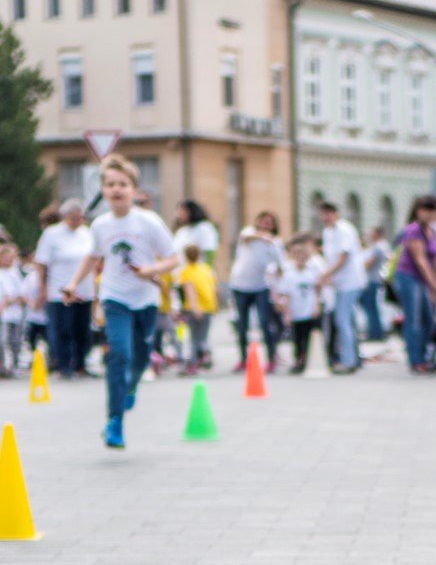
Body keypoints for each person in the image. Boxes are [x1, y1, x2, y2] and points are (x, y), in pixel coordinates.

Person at [67, 155, 178, 449]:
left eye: (123, 184)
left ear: (134, 190)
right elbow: (93, 256)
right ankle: (114, 421)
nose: (116, 189)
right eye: (110, 184)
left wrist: (152, 271)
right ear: (103, 190)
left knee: (141, 358)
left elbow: (173, 258)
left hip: (146, 300)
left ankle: (131, 386)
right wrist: (74, 283)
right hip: (115, 298)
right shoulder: (101, 225)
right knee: (119, 354)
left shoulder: (149, 221)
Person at [35, 199, 93, 378]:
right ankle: (63, 365)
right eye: (74, 218)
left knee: (82, 330)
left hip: (84, 290)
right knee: (63, 329)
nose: (78, 222)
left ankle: (80, 364)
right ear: (65, 217)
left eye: (80, 218)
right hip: (59, 291)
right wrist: (42, 287)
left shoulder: (87, 233)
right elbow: (41, 263)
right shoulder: (52, 234)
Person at [228, 212, 284, 372]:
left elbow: (280, 267)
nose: (266, 225)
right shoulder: (248, 232)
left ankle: (271, 359)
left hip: (261, 286)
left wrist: (279, 291)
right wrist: (263, 236)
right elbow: (247, 237)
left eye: (269, 223)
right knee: (242, 325)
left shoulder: (275, 243)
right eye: (263, 222)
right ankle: (243, 359)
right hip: (240, 285)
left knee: (265, 323)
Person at [315, 199, 363, 373]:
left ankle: (348, 360)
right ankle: (354, 357)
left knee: (342, 320)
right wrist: (330, 276)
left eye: (329, 213)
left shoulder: (344, 229)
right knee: (348, 320)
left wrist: (327, 274)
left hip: (350, 281)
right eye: (323, 213)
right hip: (339, 282)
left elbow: (344, 256)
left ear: (336, 214)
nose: (326, 217)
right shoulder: (328, 232)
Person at [395, 197, 436, 372]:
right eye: (422, 210)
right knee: (414, 319)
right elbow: (420, 260)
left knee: (429, 319)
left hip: (422, 279)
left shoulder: (432, 231)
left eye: (430, 210)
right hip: (408, 277)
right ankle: (416, 360)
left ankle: (423, 355)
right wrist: (434, 283)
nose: (425, 213)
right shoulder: (413, 230)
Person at [274, 233, 323, 374]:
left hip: (309, 310)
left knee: (310, 337)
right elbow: (286, 294)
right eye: (297, 255)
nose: (301, 258)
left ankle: (309, 359)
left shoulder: (311, 271)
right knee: (297, 338)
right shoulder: (289, 274)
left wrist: (317, 306)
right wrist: (287, 313)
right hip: (296, 311)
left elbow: (317, 290)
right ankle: (298, 360)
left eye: (303, 255)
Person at [177, 244, 218, 374]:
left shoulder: (186, 271)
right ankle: (204, 355)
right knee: (203, 336)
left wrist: (195, 308)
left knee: (194, 338)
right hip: (209, 307)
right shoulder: (206, 269)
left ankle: (194, 363)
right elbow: (214, 289)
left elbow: (190, 292)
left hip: (194, 309)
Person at [0, 239, 26, 376]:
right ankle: (3, 366)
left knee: (15, 341)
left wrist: (11, 300)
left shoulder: (14, 273)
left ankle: (14, 365)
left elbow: (19, 294)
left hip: (14, 314)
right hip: (3, 314)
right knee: (2, 341)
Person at [360, 226, 390, 341]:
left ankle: (374, 333)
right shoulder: (384, 245)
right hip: (378, 279)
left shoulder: (378, 247)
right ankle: (377, 332)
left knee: (371, 309)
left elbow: (369, 264)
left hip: (372, 280)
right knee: (374, 308)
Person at [172, 199, 219, 264]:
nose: (179, 215)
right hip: (183, 272)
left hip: (198, 272)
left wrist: (205, 272)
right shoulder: (182, 231)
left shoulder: (205, 228)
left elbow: (210, 254)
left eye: (182, 212)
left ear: (191, 211)